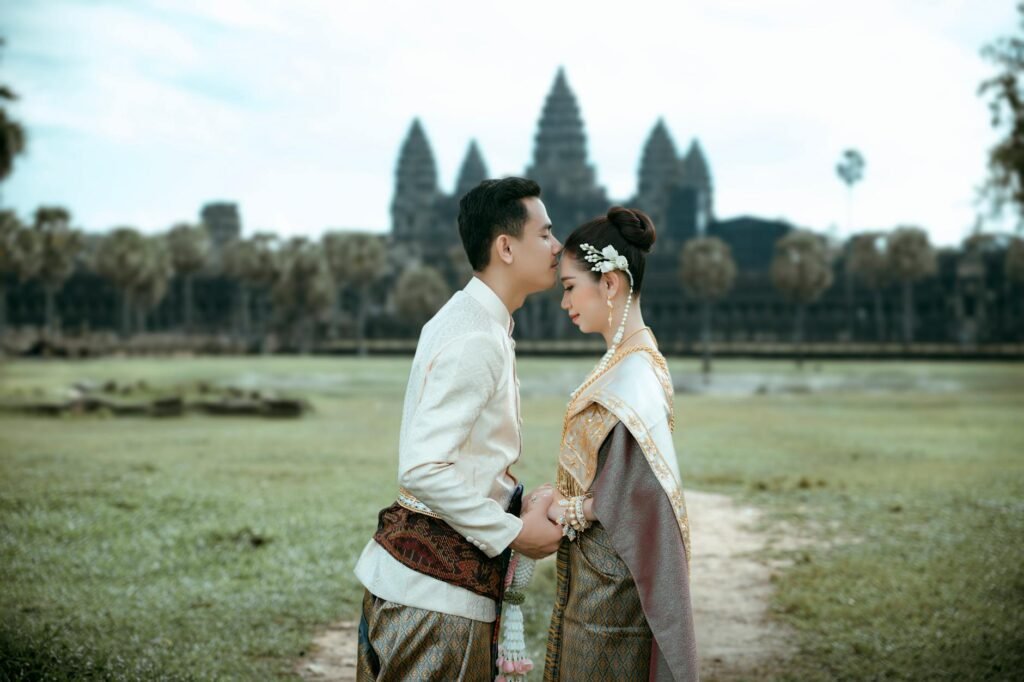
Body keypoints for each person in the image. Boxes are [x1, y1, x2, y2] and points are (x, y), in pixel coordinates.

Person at [354, 177, 565, 681]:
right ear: (506, 247)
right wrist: (515, 533)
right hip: (436, 608)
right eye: (544, 234)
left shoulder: (469, 320)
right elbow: (423, 466)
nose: (557, 247)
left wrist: (515, 500)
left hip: (418, 593)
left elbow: (467, 458)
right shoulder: (476, 337)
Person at [542, 206, 699, 681]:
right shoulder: (625, 363)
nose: (565, 302)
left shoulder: (636, 373)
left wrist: (570, 509)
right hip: (597, 574)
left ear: (609, 283)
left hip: (614, 591)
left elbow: (640, 493)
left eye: (571, 287)